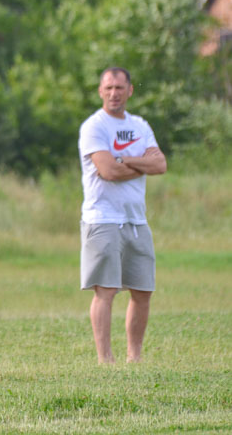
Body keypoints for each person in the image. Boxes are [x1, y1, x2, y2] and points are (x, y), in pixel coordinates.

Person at [78, 67, 167, 364]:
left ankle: (135, 358)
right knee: (106, 290)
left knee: (143, 291)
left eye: (119, 87)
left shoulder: (140, 125)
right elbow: (108, 171)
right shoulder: (94, 126)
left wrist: (125, 158)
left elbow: (160, 165)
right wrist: (140, 163)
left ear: (130, 90)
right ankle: (106, 360)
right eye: (108, 88)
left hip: (137, 220)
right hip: (102, 218)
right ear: (101, 91)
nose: (114, 93)